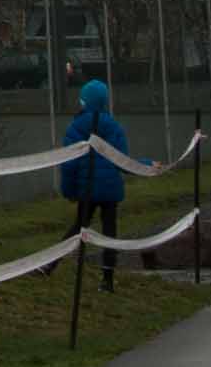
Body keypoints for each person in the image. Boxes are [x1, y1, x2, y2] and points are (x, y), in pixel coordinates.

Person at [54, 79, 152, 291]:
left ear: (84, 102)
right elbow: (123, 162)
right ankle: (107, 279)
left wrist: (69, 191)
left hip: (86, 190)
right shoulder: (114, 127)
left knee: (78, 227)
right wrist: (147, 165)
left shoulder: (74, 128)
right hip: (110, 190)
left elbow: (69, 165)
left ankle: (50, 264)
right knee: (109, 233)